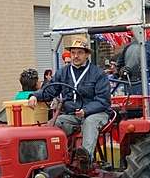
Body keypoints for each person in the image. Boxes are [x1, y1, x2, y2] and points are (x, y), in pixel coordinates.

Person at [28, 38, 110, 169]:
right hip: (72, 115)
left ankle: (85, 159)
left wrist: (86, 111)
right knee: (55, 123)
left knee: (90, 122)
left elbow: (103, 100)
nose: (76, 56)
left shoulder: (98, 73)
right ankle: (54, 161)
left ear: (87, 54)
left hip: (96, 113)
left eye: (79, 52)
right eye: (73, 53)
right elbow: (50, 90)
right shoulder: (63, 72)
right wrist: (34, 96)